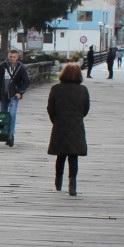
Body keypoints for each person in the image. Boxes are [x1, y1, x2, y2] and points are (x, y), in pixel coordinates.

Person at [46, 61, 90, 196]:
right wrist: (78, 117)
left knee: (60, 155)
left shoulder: (56, 89)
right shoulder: (83, 90)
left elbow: (50, 108)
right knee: (73, 156)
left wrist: (56, 120)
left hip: (60, 125)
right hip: (76, 125)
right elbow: (86, 108)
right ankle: (72, 185)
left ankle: (58, 180)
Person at [0, 49, 29, 145]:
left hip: (14, 95)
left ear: (17, 57)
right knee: (3, 115)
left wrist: (20, 92)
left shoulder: (21, 67)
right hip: (3, 94)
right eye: (10, 57)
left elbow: (26, 82)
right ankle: (4, 133)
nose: (12, 59)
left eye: (14, 57)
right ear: (8, 56)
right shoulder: (1, 66)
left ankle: (10, 135)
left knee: (12, 114)